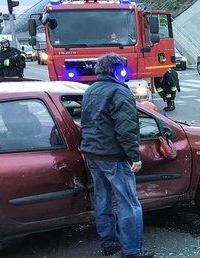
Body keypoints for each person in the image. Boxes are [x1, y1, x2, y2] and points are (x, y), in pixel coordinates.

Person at [80, 53, 154, 258]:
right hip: (113, 156)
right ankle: (132, 251)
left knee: (102, 199)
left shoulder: (90, 90)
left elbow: (87, 122)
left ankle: (109, 243)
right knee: (128, 203)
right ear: (117, 71)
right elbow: (126, 129)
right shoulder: (119, 92)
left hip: (92, 154)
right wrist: (135, 156)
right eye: (124, 69)